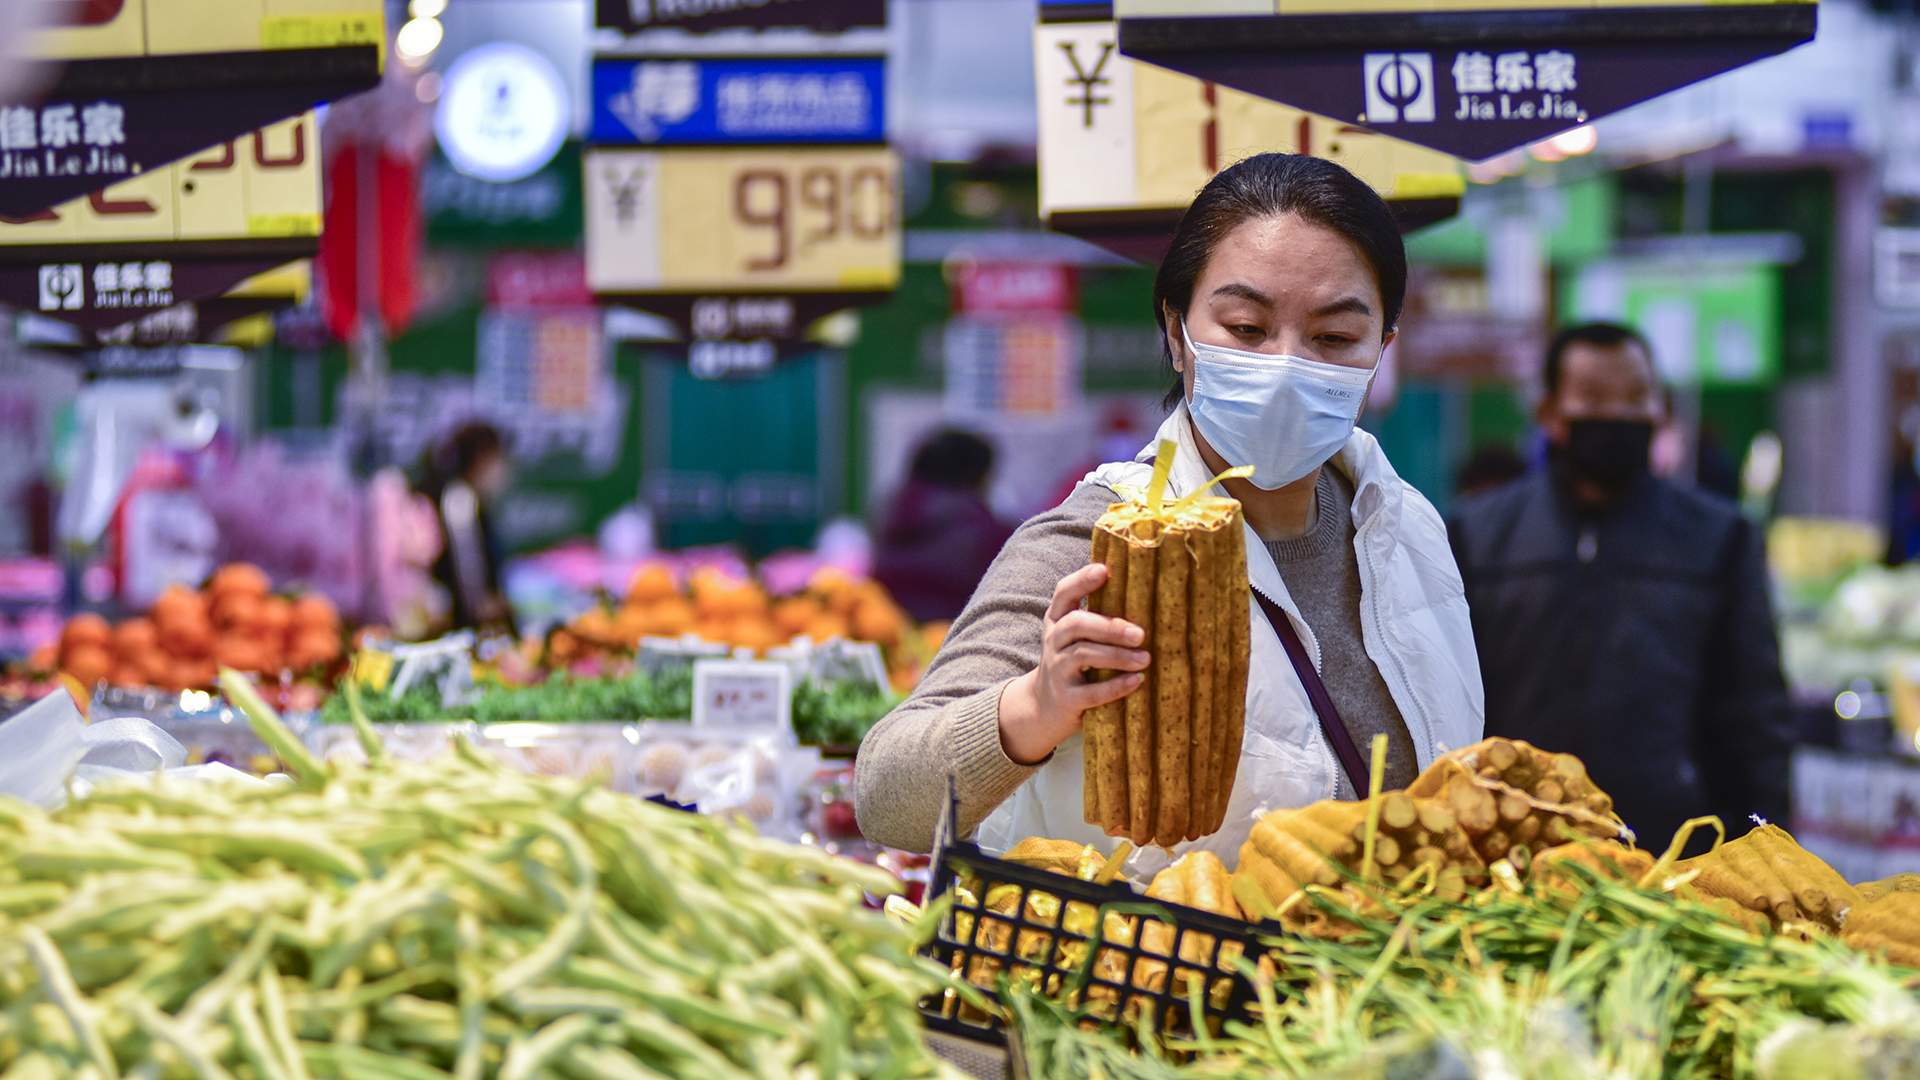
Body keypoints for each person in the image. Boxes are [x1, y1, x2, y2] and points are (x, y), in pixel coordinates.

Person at [854, 154, 1484, 866]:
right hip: (1162, 972)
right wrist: (1040, 703)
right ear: (1177, 332)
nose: (1283, 364)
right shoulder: (1097, 540)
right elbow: (884, 795)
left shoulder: (1404, 526)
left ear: (1382, 352)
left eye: (1334, 338)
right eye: (1246, 328)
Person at [1447, 322, 1793, 853]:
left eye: (1636, 397)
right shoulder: (1478, 535)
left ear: (1660, 411)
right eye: (1592, 398)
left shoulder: (1719, 538)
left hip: (1675, 850)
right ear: (1551, 415)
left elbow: (1755, 712)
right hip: (1512, 843)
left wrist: (1768, 841)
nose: (1617, 416)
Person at [872, 428, 1015, 623]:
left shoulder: (891, 511)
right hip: (955, 639)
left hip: (888, 629)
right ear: (976, 475)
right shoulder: (984, 531)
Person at [423, 421, 514, 632]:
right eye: (498, 459)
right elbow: (468, 576)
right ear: (482, 458)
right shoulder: (458, 499)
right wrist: (483, 612)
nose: (502, 469)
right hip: (459, 628)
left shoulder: (471, 499)